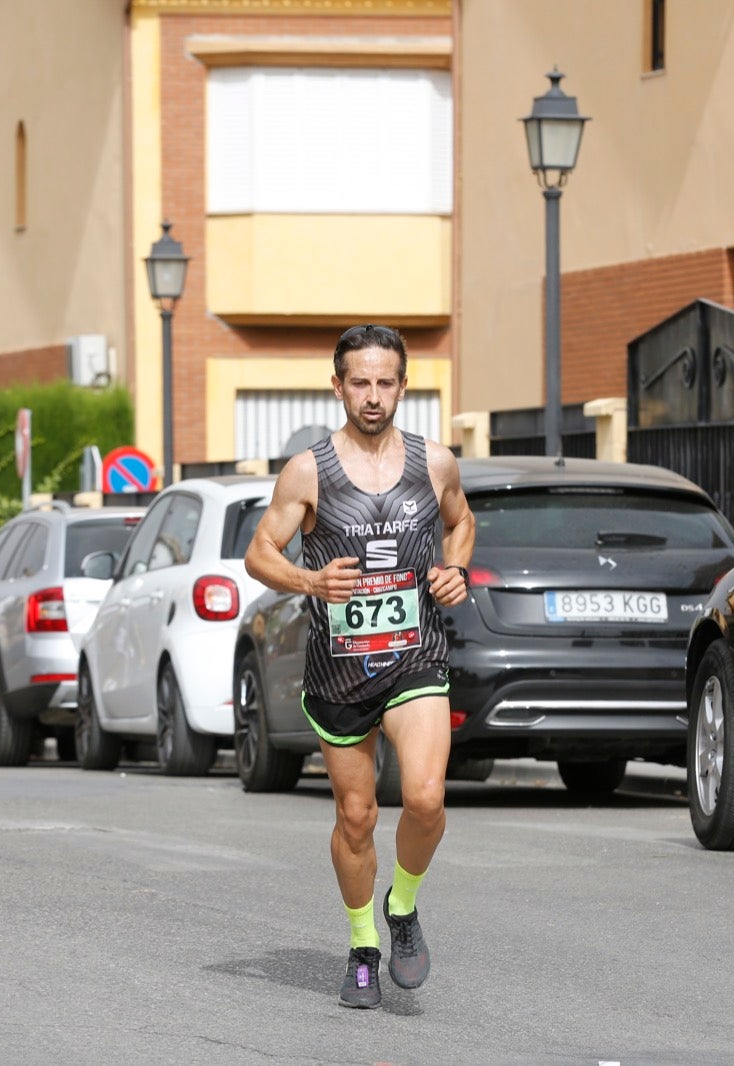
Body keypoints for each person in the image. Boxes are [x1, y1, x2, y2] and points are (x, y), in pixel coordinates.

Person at [245, 324, 475, 1009]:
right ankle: (363, 943)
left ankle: (401, 907)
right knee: (355, 816)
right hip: (340, 670)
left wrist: (453, 569)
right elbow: (261, 553)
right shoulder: (309, 470)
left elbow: (461, 522)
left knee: (427, 797)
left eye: (385, 382)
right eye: (359, 382)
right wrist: (309, 583)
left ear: (404, 386)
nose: (372, 396)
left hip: (416, 657)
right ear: (338, 385)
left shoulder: (434, 462)